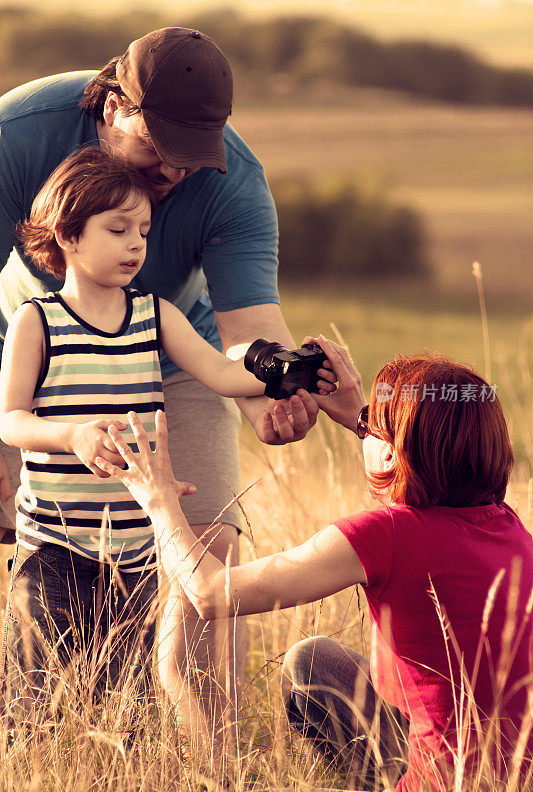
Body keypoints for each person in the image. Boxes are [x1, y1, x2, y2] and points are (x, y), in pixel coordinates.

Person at [0, 27, 318, 733]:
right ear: (112, 106)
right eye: (155, 149)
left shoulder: (232, 181)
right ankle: (32, 738)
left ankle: (214, 761)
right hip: (28, 352)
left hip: (175, 355)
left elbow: (249, 333)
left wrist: (279, 384)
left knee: (207, 553)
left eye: (190, 155)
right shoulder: (17, 137)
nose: (173, 171)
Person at [96, 337, 533, 790]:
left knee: (307, 666)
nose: (366, 432)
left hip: (437, 783)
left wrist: (159, 499)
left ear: (389, 452)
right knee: (318, 662)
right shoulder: (511, 529)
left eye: (377, 430)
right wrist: (366, 416)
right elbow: (405, 452)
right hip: (513, 774)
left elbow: (209, 593)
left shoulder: (389, 535)